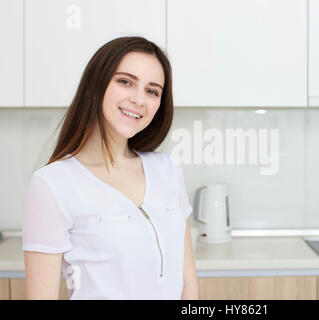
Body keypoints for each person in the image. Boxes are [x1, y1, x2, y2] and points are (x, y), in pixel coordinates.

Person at [21, 37, 199, 300]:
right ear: (97, 84)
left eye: (152, 91)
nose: (139, 99)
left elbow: (188, 284)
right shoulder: (53, 184)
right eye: (126, 81)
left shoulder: (167, 170)